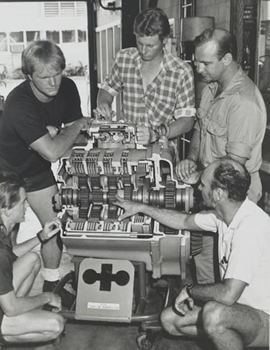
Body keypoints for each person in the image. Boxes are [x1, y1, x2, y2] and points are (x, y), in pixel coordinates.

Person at [114, 159, 270, 349]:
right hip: (240, 311)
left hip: (264, 318)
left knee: (215, 315)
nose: (198, 189)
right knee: (169, 320)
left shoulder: (249, 229)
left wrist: (189, 290)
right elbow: (185, 221)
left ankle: (226, 334)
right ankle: (227, 338)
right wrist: (141, 208)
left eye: (202, 185)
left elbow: (228, 294)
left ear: (218, 193)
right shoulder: (226, 214)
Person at [0, 40, 91, 306]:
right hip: (5, 172)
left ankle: (53, 283)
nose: (53, 83)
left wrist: (64, 133)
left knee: (54, 226)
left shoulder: (69, 87)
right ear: (29, 76)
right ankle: (8, 296)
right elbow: (53, 151)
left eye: (57, 73)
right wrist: (72, 129)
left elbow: (76, 139)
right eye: (44, 77)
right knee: (5, 239)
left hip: (36, 170)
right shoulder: (19, 103)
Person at [176, 28, 267, 284]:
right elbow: (199, 128)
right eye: (196, 62)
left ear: (226, 59)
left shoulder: (243, 102)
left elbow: (233, 168)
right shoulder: (211, 89)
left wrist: (199, 179)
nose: (198, 69)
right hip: (209, 190)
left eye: (205, 63)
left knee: (225, 275)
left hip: (231, 197)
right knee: (204, 262)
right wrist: (190, 160)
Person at [96, 7, 195, 153]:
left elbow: (187, 121)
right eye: (139, 43)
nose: (143, 50)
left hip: (161, 153)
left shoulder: (181, 72)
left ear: (165, 40)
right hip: (125, 149)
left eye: (150, 46)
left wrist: (156, 134)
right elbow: (107, 90)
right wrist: (104, 104)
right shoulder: (124, 59)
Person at [0, 171, 65, 347]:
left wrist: (41, 237)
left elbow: (11, 254)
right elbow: (11, 307)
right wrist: (47, 297)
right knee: (55, 324)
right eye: (23, 203)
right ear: (7, 210)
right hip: (9, 305)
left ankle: (10, 320)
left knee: (32, 259)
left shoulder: (2, 229)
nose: (27, 206)